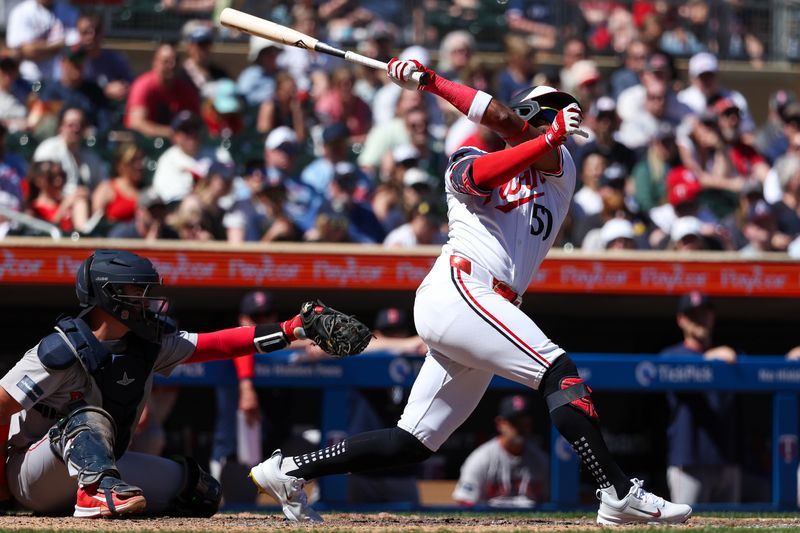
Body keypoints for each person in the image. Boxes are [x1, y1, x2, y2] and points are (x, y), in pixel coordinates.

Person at [248, 57, 692, 525]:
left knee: (414, 439)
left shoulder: (560, 169)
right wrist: (431, 82)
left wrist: (546, 136)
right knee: (558, 371)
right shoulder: (468, 157)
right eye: (548, 114)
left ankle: (289, 470)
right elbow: (485, 161)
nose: (555, 121)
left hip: (486, 306)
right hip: (459, 287)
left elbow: (525, 137)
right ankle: (617, 491)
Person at [0, 248, 349, 517]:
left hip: (105, 466)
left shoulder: (149, 344)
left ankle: (97, 492)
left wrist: (292, 330)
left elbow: (219, 343)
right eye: (137, 291)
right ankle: (92, 496)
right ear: (110, 296)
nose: (147, 301)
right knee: (87, 418)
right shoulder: (60, 349)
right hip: (30, 475)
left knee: (199, 492)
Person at [660, 292, 740, 505]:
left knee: (733, 527)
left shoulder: (730, 355)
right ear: (681, 320)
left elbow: (767, 373)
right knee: (688, 524)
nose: (700, 319)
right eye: (693, 315)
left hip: (727, 461)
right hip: (689, 462)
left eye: (704, 313)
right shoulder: (671, 356)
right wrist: (709, 359)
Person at [452, 394, 549, 508]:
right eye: (514, 422)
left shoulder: (540, 459)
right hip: (489, 523)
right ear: (500, 424)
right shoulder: (481, 458)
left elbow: (552, 503)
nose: (520, 428)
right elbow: (465, 502)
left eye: (524, 423)